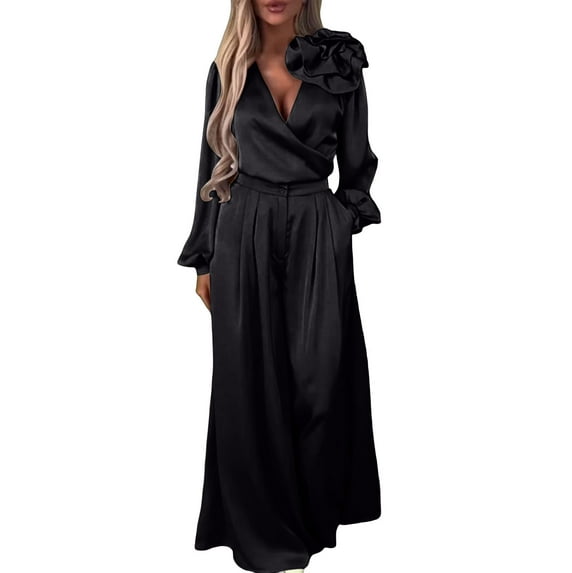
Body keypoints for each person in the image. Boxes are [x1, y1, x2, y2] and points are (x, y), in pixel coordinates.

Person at [177, 1, 382, 571]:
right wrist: (204, 259)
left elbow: (358, 161)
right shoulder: (228, 67)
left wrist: (340, 220)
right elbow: (210, 166)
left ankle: (313, 518)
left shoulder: (339, 58)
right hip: (244, 226)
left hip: (318, 227)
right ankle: (261, 532)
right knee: (249, 382)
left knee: (321, 379)